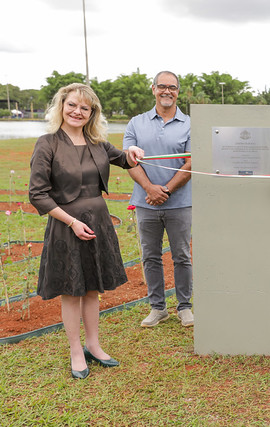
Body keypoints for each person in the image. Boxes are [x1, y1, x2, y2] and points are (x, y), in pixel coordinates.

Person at [29, 83, 144, 379]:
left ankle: (94, 345)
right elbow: (38, 194)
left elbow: (125, 159)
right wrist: (71, 221)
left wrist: (132, 152)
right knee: (71, 290)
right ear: (61, 106)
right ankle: (76, 351)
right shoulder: (47, 143)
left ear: (92, 113)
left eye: (85, 107)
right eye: (72, 105)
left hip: (98, 221)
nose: (77, 112)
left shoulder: (98, 144)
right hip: (67, 224)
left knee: (92, 288)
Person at [123, 71, 193, 328]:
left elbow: (191, 161)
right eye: (162, 86)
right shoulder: (136, 123)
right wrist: (150, 188)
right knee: (150, 256)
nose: (167, 91)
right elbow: (128, 161)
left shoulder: (189, 124)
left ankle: (184, 307)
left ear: (178, 91)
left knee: (182, 255)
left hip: (180, 202)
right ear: (153, 89)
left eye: (172, 87)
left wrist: (166, 190)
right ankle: (158, 308)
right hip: (146, 203)